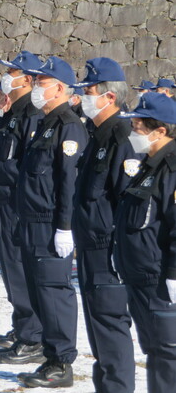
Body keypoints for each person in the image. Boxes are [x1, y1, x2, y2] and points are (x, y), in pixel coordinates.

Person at [15, 56, 88, 388]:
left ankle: (62, 363)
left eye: (40, 83)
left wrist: (64, 226)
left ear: (59, 87)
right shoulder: (43, 123)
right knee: (37, 293)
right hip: (31, 221)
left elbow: (68, 183)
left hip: (49, 224)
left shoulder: (68, 126)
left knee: (54, 293)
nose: (35, 88)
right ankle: (49, 356)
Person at [71, 58, 137, 393]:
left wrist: (121, 253)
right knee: (98, 327)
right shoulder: (97, 134)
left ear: (109, 97)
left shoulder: (122, 138)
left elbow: (130, 202)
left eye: (89, 90)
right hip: (90, 247)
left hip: (108, 251)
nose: (84, 95)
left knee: (110, 326)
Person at [115, 91, 176, 393]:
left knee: (168, 354)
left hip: (160, 280)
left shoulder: (172, 169)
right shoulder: (148, 165)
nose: (132, 132)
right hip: (139, 277)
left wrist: (175, 274)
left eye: (138, 126)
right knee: (155, 351)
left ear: (160, 130)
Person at [0, 51, 45, 362]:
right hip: (2, 201)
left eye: (11, 71)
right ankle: (23, 328)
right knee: (11, 271)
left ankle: (33, 337)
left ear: (27, 78)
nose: (5, 76)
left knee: (21, 272)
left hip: (17, 203)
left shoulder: (31, 116)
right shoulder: (10, 112)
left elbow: (25, 168)